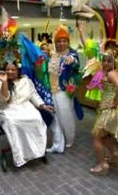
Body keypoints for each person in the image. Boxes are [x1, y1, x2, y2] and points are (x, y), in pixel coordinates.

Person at [0, 61, 54, 167]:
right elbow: (4, 99)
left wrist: (42, 105)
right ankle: (20, 154)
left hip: (26, 107)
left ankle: (38, 151)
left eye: (13, 69)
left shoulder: (26, 80)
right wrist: (4, 82)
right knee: (13, 122)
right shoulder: (1, 83)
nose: (10, 71)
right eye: (7, 69)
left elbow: (34, 95)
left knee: (37, 119)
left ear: (18, 71)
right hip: (8, 109)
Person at [47, 25, 82, 153]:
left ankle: (69, 138)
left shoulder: (72, 54)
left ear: (68, 42)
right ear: (55, 43)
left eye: (64, 41)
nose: (62, 43)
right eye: (59, 41)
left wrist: (71, 61)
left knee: (66, 116)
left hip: (64, 90)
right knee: (55, 118)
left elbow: (76, 64)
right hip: (51, 90)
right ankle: (58, 142)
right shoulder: (53, 55)